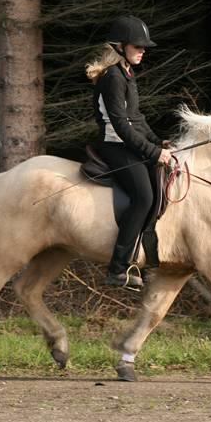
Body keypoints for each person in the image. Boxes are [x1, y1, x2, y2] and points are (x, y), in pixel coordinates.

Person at [85, 16, 171, 289]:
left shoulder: (126, 74)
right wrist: (151, 152)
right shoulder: (112, 78)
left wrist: (159, 143)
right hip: (114, 146)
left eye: (143, 46)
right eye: (137, 46)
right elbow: (121, 125)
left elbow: (137, 118)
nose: (143, 50)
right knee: (144, 197)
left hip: (128, 143)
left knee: (159, 190)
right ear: (119, 47)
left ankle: (143, 260)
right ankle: (117, 268)